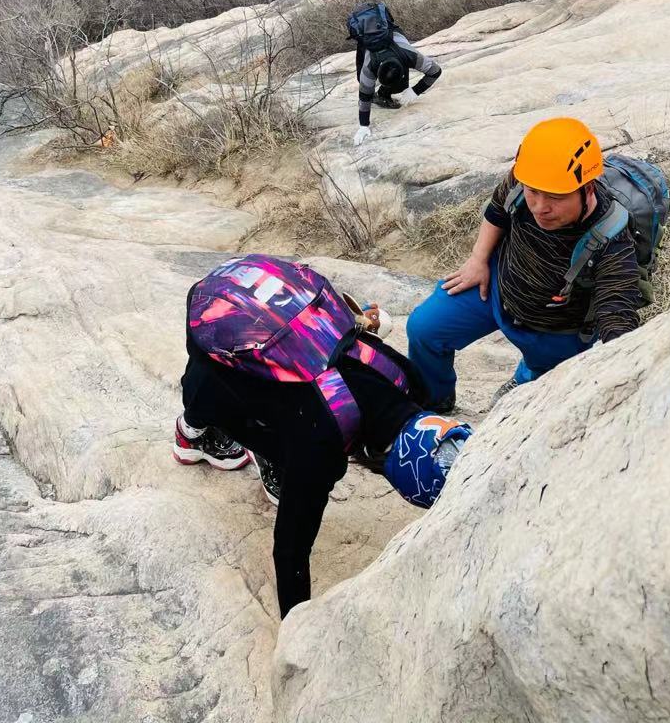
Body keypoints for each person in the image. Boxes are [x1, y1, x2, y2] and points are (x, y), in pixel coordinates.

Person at [173, 254, 472, 617]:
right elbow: (290, 550)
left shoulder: (407, 380)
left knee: (292, 412)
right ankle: (193, 433)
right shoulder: (321, 448)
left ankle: (257, 440)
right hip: (211, 335)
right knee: (234, 403)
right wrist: (296, 630)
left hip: (248, 289)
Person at [406, 117, 642, 412]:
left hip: (557, 332)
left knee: (529, 399)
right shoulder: (528, 176)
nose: (540, 206)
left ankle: (525, 377)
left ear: (588, 189)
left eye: (556, 197)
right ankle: (434, 401)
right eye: (533, 192)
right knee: (424, 329)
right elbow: (497, 211)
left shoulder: (612, 238)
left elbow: (616, 314)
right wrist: (478, 259)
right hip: (495, 287)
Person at [347, 2, 442, 147]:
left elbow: (436, 71)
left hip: (392, 35)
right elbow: (364, 98)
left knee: (400, 87)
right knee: (363, 83)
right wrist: (363, 126)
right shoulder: (369, 66)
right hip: (366, 39)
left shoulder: (409, 55)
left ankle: (387, 92)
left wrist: (415, 91)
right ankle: (378, 96)